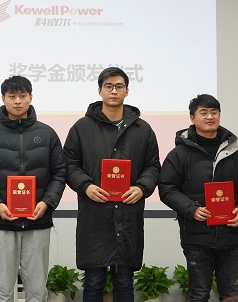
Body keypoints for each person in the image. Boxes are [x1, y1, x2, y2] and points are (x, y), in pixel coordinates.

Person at [64, 67, 161, 302]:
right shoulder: (82, 127)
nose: (114, 91)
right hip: (94, 216)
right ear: (100, 91)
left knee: (125, 283)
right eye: (108, 86)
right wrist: (86, 186)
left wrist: (141, 188)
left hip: (128, 215)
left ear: (127, 91)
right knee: (93, 282)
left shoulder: (142, 129)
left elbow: (153, 166)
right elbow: (69, 165)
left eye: (119, 86)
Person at [0, 75, 67, 302]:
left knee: (37, 290)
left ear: (31, 97)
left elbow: (59, 172)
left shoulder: (47, 134)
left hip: (38, 220)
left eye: (22, 96)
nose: (17, 101)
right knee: (3, 291)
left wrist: (47, 202)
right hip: (2, 222)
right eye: (12, 96)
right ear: (3, 98)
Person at [158, 94, 238, 302]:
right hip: (196, 236)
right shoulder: (179, 154)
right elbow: (167, 188)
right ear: (192, 118)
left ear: (219, 116)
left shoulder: (236, 152)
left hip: (231, 235)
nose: (210, 117)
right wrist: (191, 209)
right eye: (203, 112)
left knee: (231, 295)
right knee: (198, 294)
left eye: (214, 112)